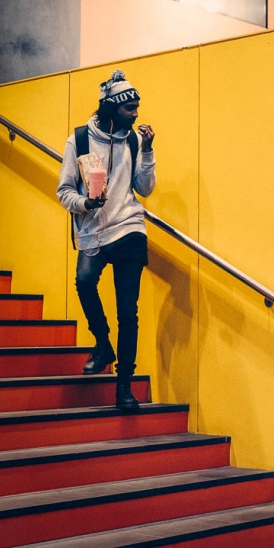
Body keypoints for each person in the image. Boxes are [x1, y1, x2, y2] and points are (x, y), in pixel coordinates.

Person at [57, 69, 156, 410]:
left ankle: (124, 386)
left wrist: (148, 152)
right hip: (93, 230)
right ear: (112, 107)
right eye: (130, 108)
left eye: (137, 107)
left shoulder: (135, 140)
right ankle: (102, 345)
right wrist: (86, 203)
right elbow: (64, 191)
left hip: (129, 228)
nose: (136, 113)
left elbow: (145, 189)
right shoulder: (80, 140)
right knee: (84, 281)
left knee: (128, 312)